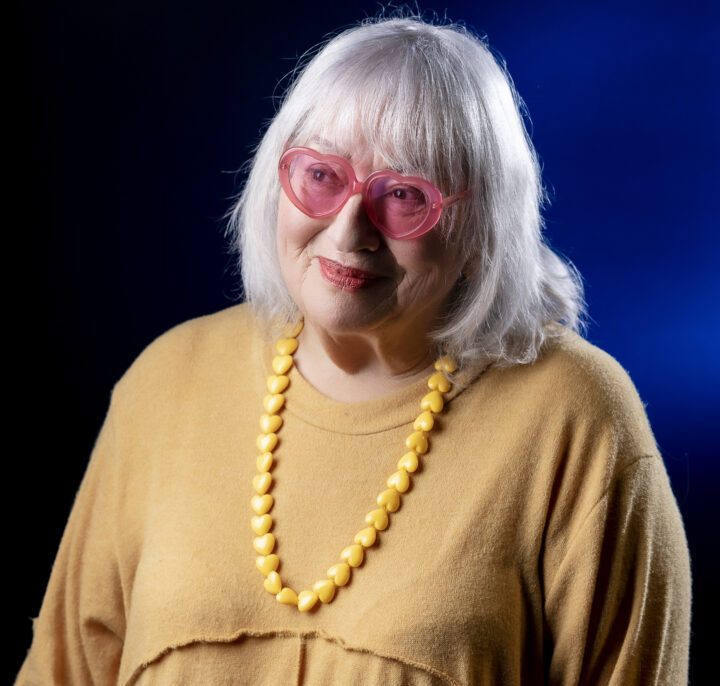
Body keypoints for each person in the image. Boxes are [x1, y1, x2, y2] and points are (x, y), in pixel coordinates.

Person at [16, 12, 692, 685]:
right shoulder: (166, 383)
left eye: (404, 195)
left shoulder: (577, 415)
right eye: (321, 175)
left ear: (482, 225)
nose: (348, 231)